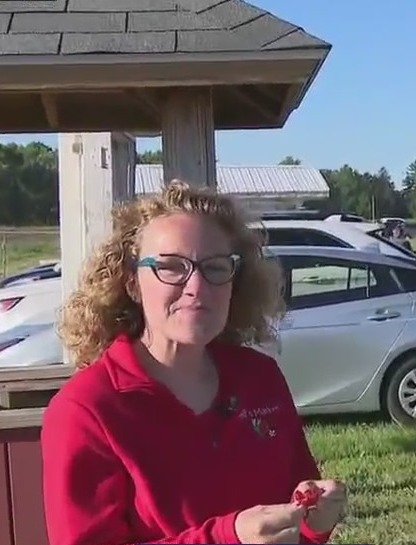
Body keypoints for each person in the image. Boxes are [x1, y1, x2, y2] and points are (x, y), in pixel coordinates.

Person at [41, 181, 348, 545]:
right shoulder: (86, 410)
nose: (197, 287)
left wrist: (315, 521)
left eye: (215, 268)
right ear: (132, 283)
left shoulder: (259, 377)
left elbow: (294, 524)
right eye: (170, 267)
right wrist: (226, 538)